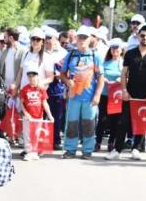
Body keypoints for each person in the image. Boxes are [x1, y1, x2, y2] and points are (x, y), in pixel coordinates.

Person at [112, 24, 146, 160]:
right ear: (138, 36)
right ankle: (117, 149)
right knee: (123, 121)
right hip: (129, 92)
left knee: (142, 121)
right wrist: (123, 90)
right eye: (142, 35)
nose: (145, 38)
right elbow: (124, 74)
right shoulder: (130, 53)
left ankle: (136, 148)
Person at [59, 25, 105, 159]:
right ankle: (70, 149)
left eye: (85, 37)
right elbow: (62, 74)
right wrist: (68, 82)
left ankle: (87, 150)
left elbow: (101, 77)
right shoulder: (71, 54)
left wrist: (97, 95)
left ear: (89, 39)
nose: (82, 40)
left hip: (89, 98)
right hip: (74, 97)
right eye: (80, 37)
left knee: (89, 124)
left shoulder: (95, 55)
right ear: (76, 38)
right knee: (71, 124)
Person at [19, 62, 53, 161]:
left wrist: (50, 115)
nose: (31, 78)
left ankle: (35, 152)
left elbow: (44, 103)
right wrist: (26, 114)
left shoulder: (41, 89)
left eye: (33, 76)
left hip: (38, 116)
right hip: (28, 117)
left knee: (36, 134)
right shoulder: (24, 89)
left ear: (37, 76)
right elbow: (22, 104)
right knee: (27, 134)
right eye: (29, 76)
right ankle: (29, 152)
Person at [98, 38, 124, 154]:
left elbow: (127, 76)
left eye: (117, 47)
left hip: (117, 96)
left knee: (115, 120)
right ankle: (98, 141)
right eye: (112, 48)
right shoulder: (105, 63)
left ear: (121, 49)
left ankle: (111, 142)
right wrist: (105, 80)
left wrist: (121, 79)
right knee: (102, 119)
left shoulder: (124, 63)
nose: (115, 50)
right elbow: (100, 75)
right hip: (105, 94)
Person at [0, 27, 25, 102]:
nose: (4, 39)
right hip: (5, 89)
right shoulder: (5, 51)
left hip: (18, 89)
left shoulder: (23, 51)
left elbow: (22, 72)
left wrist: (16, 86)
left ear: (11, 38)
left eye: (5, 37)